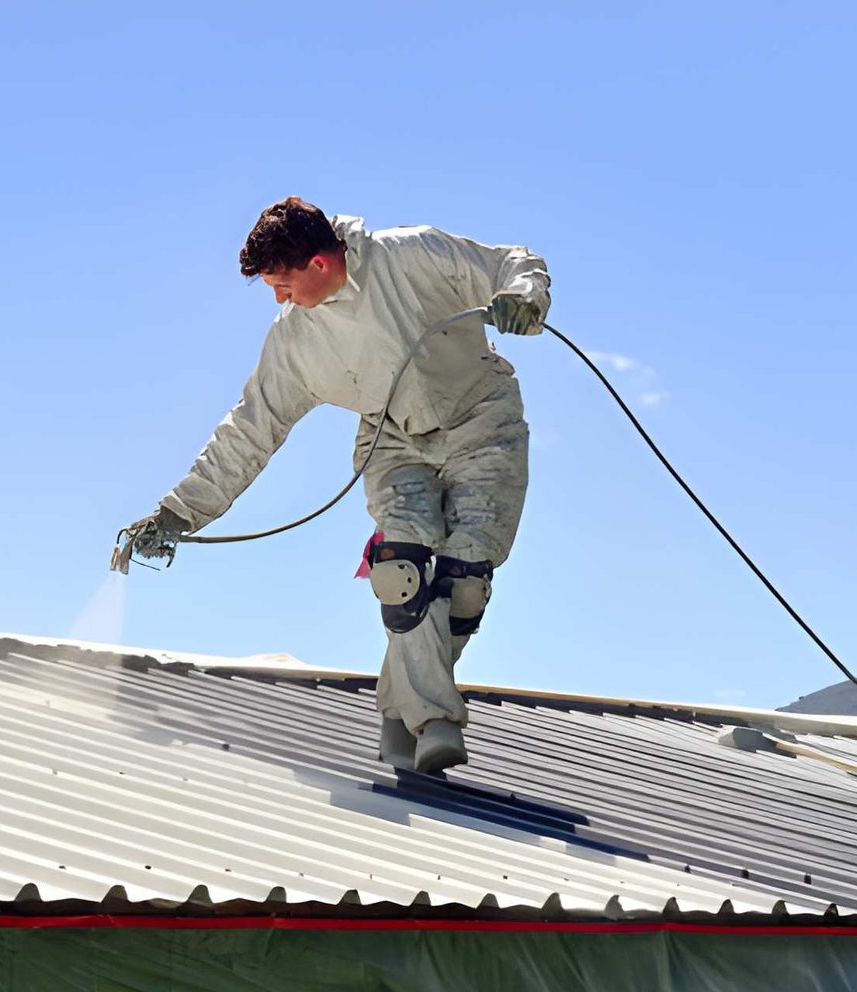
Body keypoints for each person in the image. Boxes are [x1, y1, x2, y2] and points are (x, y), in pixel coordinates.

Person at [115, 197, 550, 774]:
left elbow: (512, 262)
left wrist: (524, 299)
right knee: (402, 572)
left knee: (465, 579)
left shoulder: (411, 255)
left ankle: (399, 712)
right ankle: (435, 721)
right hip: (390, 437)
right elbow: (249, 430)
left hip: (482, 420)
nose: (278, 298)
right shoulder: (295, 342)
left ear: (320, 263)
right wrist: (176, 515)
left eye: (282, 283)